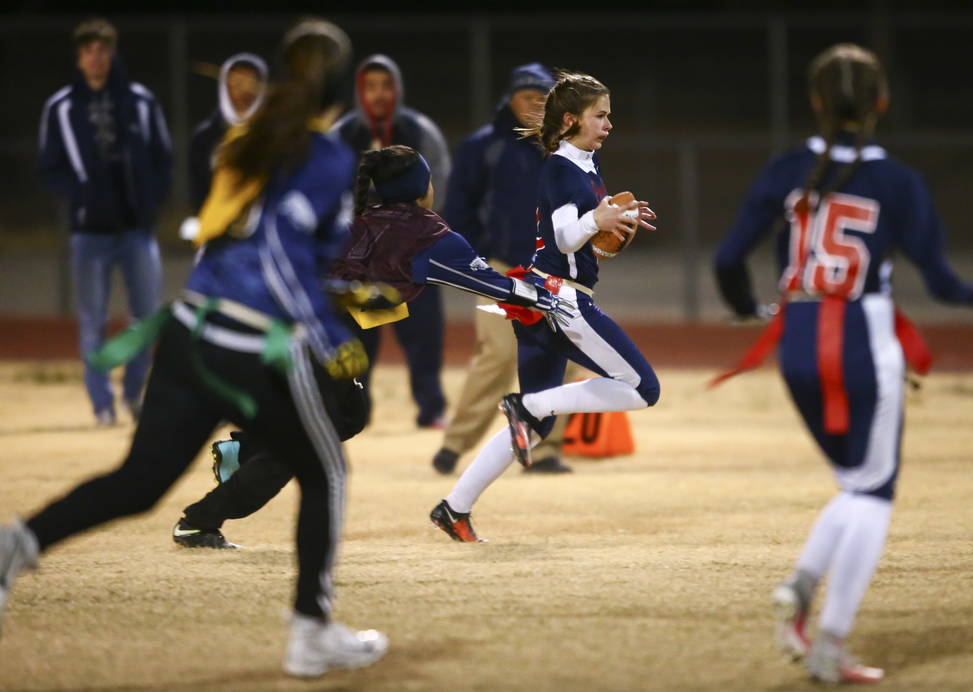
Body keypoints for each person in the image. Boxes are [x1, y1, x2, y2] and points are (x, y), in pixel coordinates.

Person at [2, 19, 391, 678]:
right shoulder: (323, 156)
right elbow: (278, 255)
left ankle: (17, 544)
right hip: (247, 344)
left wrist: (343, 285)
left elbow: (239, 238)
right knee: (325, 470)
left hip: (190, 331)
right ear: (341, 91)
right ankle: (310, 632)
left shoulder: (246, 139)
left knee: (139, 483)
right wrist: (330, 331)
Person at [711, 44, 973, 685]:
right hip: (861, 334)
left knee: (855, 483)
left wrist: (743, 310)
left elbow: (729, 258)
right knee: (875, 491)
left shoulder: (788, 166)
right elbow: (939, 274)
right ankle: (829, 639)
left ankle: (800, 589)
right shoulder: (896, 179)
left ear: (816, 102)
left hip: (797, 335)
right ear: (882, 103)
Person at [170, 144, 573, 549]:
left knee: (350, 414)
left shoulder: (355, 221)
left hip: (289, 326)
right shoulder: (428, 234)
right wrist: (554, 299)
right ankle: (200, 520)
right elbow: (494, 286)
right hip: (323, 335)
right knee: (310, 439)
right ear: (421, 187)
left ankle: (246, 447)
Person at [429, 71, 660, 543]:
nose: (609, 125)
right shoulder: (561, 166)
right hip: (562, 298)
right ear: (572, 120)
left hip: (544, 292)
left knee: (534, 424)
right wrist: (599, 218)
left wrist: (618, 218)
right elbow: (564, 234)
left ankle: (454, 508)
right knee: (642, 388)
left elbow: (583, 237)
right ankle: (525, 403)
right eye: (601, 116)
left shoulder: (584, 165)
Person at [432, 62, 581, 476]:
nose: (534, 104)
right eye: (526, 96)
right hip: (500, 268)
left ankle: (546, 449)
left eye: (542, 98)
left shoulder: (568, 148)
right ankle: (455, 443)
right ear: (509, 99)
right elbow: (459, 209)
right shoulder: (484, 146)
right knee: (497, 355)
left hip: (556, 272)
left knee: (564, 357)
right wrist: (474, 257)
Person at [37, 17, 171, 425]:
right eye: (89, 50)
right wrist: (81, 196)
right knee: (92, 320)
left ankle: (133, 394)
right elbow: (49, 167)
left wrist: (149, 205)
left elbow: (163, 158)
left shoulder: (140, 102)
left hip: (137, 230)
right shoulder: (60, 107)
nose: (97, 58)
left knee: (146, 318)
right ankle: (102, 406)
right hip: (89, 233)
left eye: (104, 50)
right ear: (79, 57)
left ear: (113, 54)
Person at [331, 54, 452, 428]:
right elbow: (327, 187)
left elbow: (441, 178)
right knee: (361, 333)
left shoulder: (418, 130)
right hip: (362, 255)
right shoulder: (344, 133)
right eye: (371, 86)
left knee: (423, 332)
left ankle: (430, 407)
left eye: (386, 85)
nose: (379, 94)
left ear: (397, 89)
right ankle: (355, 409)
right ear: (359, 91)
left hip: (412, 252)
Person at [188, 53, 268, 212]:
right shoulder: (206, 136)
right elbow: (199, 187)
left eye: (250, 82)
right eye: (236, 82)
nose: (243, 90)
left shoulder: (276, 131)